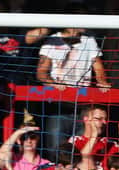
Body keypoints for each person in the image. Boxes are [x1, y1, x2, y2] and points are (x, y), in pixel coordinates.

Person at [36, 24, 111, 159]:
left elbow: (99, 68)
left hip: (83, 108)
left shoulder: (89, 40)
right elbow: (41, 73)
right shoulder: (52, 40)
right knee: (57, 153)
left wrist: (102, 81)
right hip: (59, 107)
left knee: (85, 152)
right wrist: (53, 83)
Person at [67, 105, 119, 170]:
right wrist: (94, 135)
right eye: (99, 119)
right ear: (86, 120)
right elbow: (82, 160)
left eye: (105, 119)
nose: (104, 122)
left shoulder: (109, 143)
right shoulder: (75, 140)